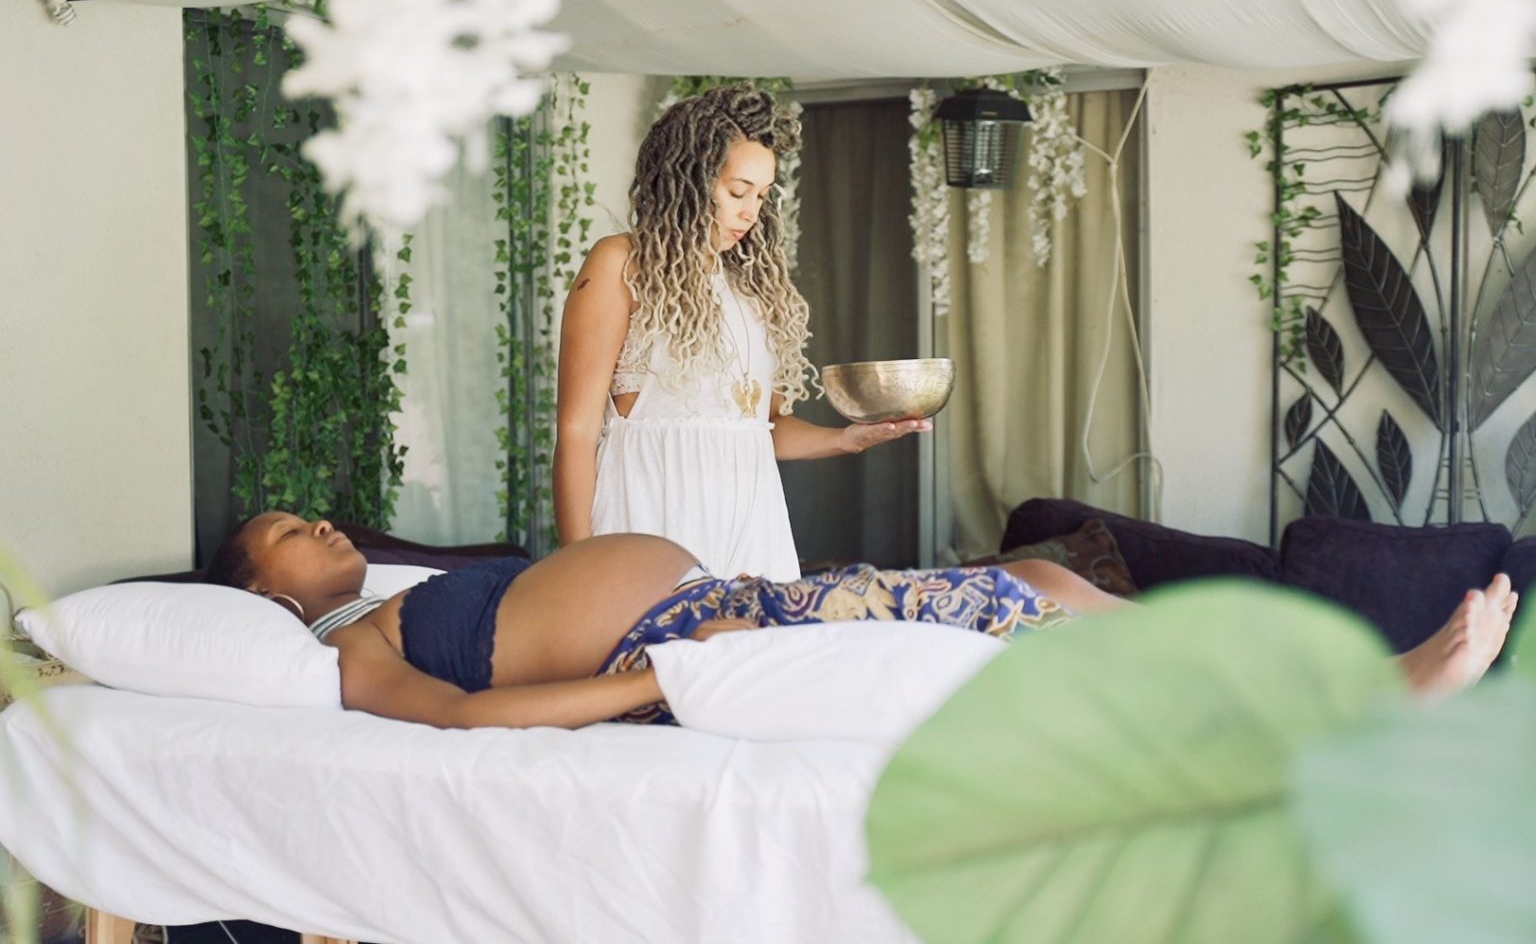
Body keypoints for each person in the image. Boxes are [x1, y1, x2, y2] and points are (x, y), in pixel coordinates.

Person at [207, 512, 1518, 731]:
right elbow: (467, 719)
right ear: (261, 588)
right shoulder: (345, 647)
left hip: (718, 605)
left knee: (1043, 586)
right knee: (1012, 608)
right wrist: (660, 679)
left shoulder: (394, 585)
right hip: (688, 645)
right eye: (289, 531)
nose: (319, 524)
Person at [554, 83, 927, 582]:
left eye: (762, 195)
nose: (751, 212)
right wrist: (576, 572)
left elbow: (762, 428)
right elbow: (576, 433)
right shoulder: (620, 263)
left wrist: (848, 440)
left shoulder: (752, 285)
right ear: (689, 178)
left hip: (755, 535)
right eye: (737, 191)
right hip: (648, 529)